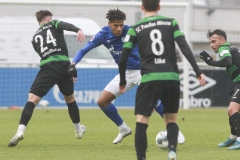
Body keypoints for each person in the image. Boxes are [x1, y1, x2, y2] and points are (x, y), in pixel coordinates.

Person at [68, 8, 185, 145]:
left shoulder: (131, 31)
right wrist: (73, 64)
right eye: (116, 25)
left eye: (121, 25)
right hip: (126, 73)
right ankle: (123, 129)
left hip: (143, 70)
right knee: (102, 101)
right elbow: (83, 50)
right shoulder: (102, 35)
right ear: (109, 24)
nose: (119, 28)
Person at [118, 0, 206, 159]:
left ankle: (141, 157)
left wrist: (123, 80)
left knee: (142, 120)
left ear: (142, 7)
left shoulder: (135, 28)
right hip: (171, 77)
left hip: (149, 78)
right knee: (171, 118)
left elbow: (123, 57)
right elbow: (184, 47)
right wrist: (198, 71)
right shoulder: (171, 22)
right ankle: (172, 150)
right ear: (159, 7)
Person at [8, 10, 86, 147]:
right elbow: (66, 25)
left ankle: (20, 131)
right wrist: (78, 29)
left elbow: (43, 54)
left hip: (49, 68)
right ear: (49, 18)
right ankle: (78, 130)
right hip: (64, 66)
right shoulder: (54, 23)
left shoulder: (34, 38)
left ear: (39, 21)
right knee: (70, 99)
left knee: (32, 99)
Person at [200, 29, 240, 150]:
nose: (211, 45)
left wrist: (210, 62)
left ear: (222, 40)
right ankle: (233, 137)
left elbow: (227, 61)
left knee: (232, 109)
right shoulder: (231, 48)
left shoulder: (223, 48)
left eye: (214, 41)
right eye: (210, 42)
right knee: (232, 111)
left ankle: (238, 139)